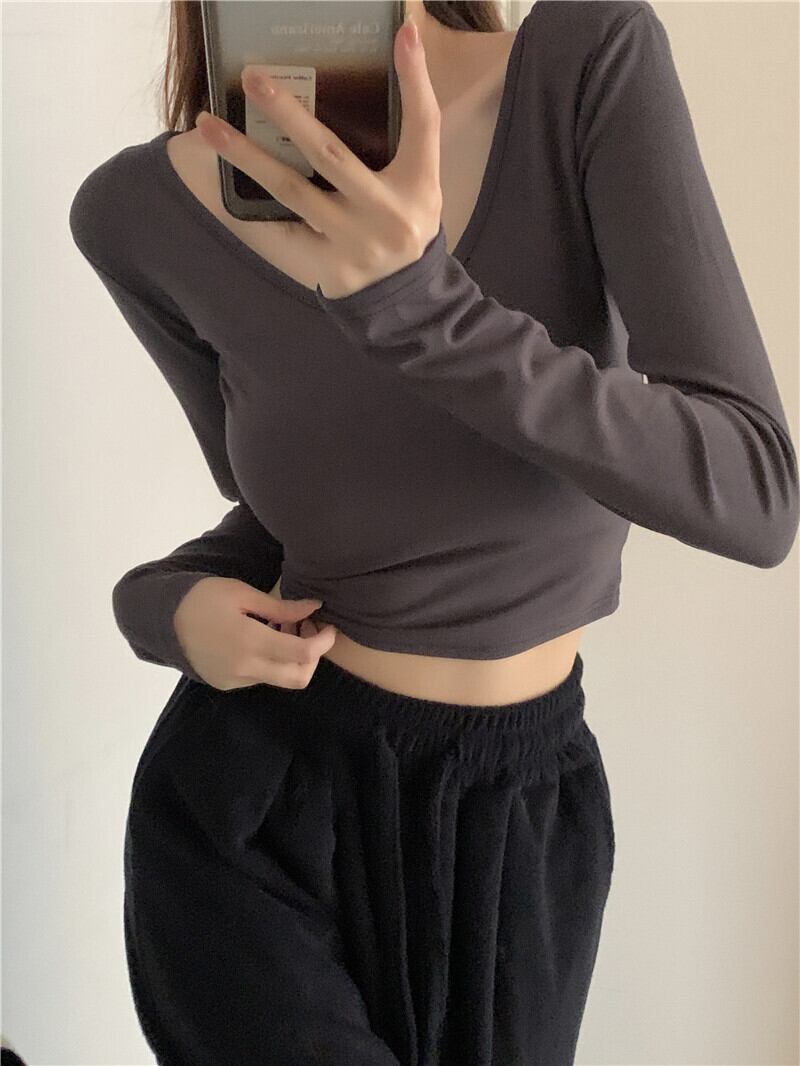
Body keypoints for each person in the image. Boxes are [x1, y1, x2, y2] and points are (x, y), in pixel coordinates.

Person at [68, 1, 799, 1063]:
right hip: (256, 812)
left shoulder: (581, 70)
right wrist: (159, 607)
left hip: (525, 823)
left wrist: (419, 305)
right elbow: (289, 518)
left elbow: (753, 491)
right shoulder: (136, 213)